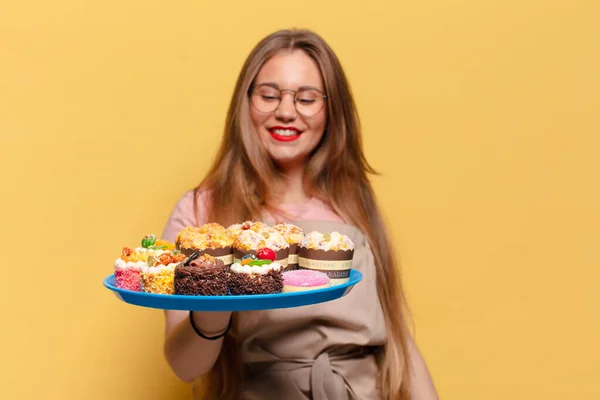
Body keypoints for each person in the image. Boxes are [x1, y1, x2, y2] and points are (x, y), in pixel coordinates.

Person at [161, 29, 439, 400]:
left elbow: (399, 343)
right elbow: (185, 367)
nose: (286, 112)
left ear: (332, 109)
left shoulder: (353, 201)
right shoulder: (202, 213)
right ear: (245, 103)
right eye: (269, 95)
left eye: (307, 99)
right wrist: (212, 308)